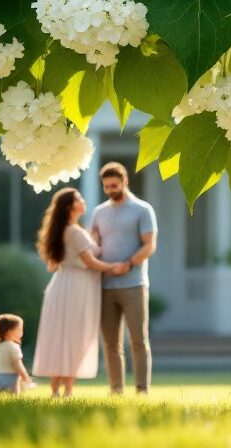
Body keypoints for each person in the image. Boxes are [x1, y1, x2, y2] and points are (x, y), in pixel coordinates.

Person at [31, 187, 128, 397]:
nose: (83, 201)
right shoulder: (74, 232)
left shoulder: (70, 231)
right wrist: (116, 267)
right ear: (70, 206)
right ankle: (65, 390)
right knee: (73, 337)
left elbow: (60, 262)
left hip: (66, 284)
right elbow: (90, 262)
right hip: (76, 287)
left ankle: (58, 390)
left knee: (62, 337)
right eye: (79, 199)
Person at [89, 161, 157, 396]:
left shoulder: (142, 210)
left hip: (134, 285)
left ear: (124, 181)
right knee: (110, 343)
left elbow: (149, 245)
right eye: (106, 186)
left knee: (138, 340)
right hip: (105, 286)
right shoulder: (99, 212)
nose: (110, 190)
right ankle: (116, 390)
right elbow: (93, 244)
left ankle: (142, 390)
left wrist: (128, 264)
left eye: (114, 185)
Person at [0, 313, 32, 394]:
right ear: (9, 332)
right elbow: (17, 364)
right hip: (11, 379)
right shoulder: (14, 346)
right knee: (14, 398)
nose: (22, 332)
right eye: (20, 329)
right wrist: (26, 377)